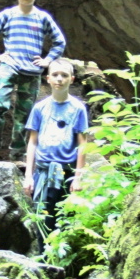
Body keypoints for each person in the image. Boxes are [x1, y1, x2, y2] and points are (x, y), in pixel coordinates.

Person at [0, 0, 66, 160]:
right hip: (9, 66)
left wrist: (48, 60)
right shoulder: (8, 15)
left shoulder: (42, 18)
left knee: (24, 114)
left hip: (32, 71)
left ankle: (18, 155)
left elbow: (59, 41)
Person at [22, 59, 89, 232]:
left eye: (64, 75)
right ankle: (42, 249)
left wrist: (78, 177)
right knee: (42, 218)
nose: (59, 79)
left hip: (67, 171)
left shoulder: (78, 108)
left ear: (72, 79)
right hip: (43, 172)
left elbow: (82, 144)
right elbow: (32, 142)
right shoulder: (39, 108)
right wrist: (28, 176)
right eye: (55, 75)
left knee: (64, 220)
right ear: (48, 79)